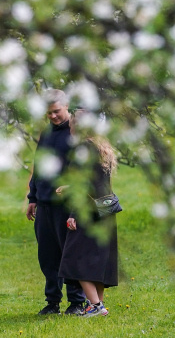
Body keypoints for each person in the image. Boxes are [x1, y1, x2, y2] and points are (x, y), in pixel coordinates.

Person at [25, 89, 88, 315]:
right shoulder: (46, 133)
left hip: (67, 204)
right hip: (44, 204)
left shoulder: (77, 134)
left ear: (67, 106)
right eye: (48, 113)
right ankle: (52, 301)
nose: (52, 116)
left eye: (56, 111)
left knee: (69, 253)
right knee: (47, 256)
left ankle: (77, 301)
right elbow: (38, 166)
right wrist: (32, 197)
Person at [58, 111, 120, 317]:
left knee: (75, 258)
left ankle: (95, 306)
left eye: (71, 126)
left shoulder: (82, 149)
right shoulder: (103, 148)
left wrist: (73, 213)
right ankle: (98, 303)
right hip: (106, 209)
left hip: (88, 211)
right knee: (98, 259)